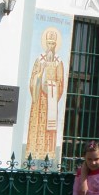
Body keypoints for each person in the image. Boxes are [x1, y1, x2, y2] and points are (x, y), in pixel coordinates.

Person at [25, 27, 65, 159]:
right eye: (48, 43)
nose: (50, 46)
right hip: (39, 100)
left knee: (49, 127)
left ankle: (48, 154)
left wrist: (51, 86)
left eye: (53, 43)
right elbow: (32, 78)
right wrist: (39, 77)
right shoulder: (39, 60)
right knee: (37, 125)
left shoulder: (59, 62)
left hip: (51, 101)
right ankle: (33, 153)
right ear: (45, 43)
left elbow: (60, 81)